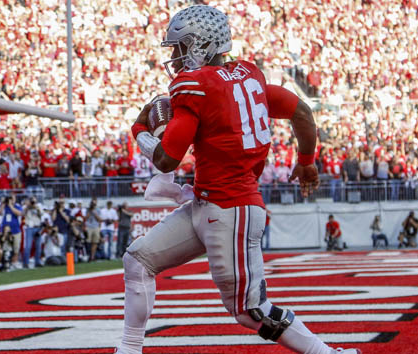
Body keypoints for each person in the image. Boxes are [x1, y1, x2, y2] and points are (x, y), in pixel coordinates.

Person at [117, 6, 357, 354]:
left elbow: (168, 158)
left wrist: (140, 131)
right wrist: (306, 160)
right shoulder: (249, 75)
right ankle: (128, 349)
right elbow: (302, 112)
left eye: (179, 46)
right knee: (138, 260)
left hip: (231, 209)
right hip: (208, 203)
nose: (173, 55)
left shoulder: (195, 85)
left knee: (250, 310)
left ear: (199, 45)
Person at [0, 195, 23, 269]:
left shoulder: (17, 206)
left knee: (16, 248)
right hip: (6, 230)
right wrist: (3, 203)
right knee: (6, 248)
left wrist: (10, 205)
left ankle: (14, 262)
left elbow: (19, 213)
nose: (11, 200)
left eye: (12, 198)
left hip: (16, 230)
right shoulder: (4, 206)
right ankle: (7, 263)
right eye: (10, 198)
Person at [23, 197, 43, 268]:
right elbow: (23, 214)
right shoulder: (26, 207)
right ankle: (26, 263)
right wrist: (28, 206)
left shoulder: (39, 206)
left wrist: (36, 207)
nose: (33, 203)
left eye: (34, 201)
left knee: (38, 246)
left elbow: (41, 214)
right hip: (29, 228)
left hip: (37, 227)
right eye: (32, 201)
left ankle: (37, 262)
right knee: (28, 246)